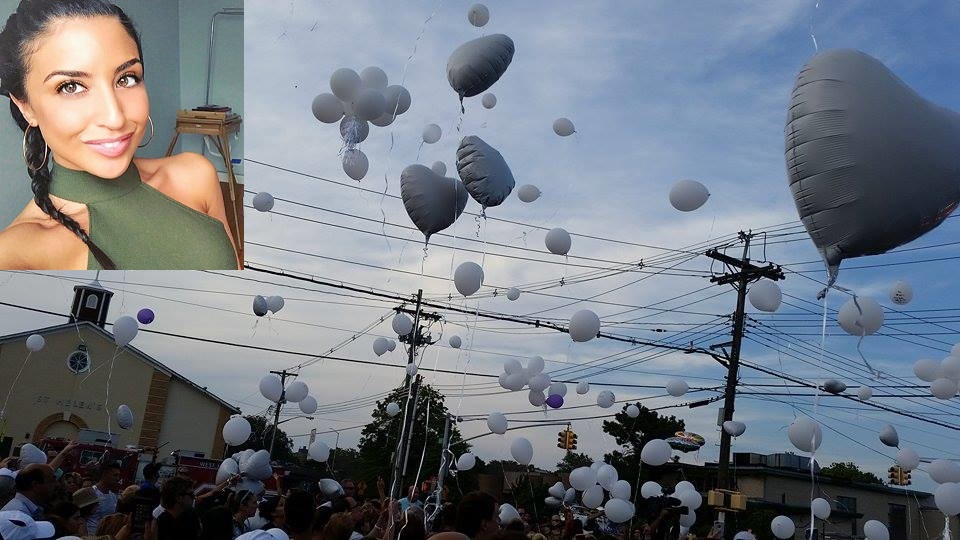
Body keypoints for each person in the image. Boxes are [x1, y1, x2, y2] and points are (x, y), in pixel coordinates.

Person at [0, 0, 240, 270]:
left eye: (126, 78)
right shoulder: (15, 255)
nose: (115, 117)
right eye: (70, 86)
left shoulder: (196, 175)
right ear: (26, 105)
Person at [85, 461, 121, 533]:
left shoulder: (114, 496)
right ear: (105, 474)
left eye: (118, 476)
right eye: (115, 475)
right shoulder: (91, 493)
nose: (118, 478)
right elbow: (81, 519)